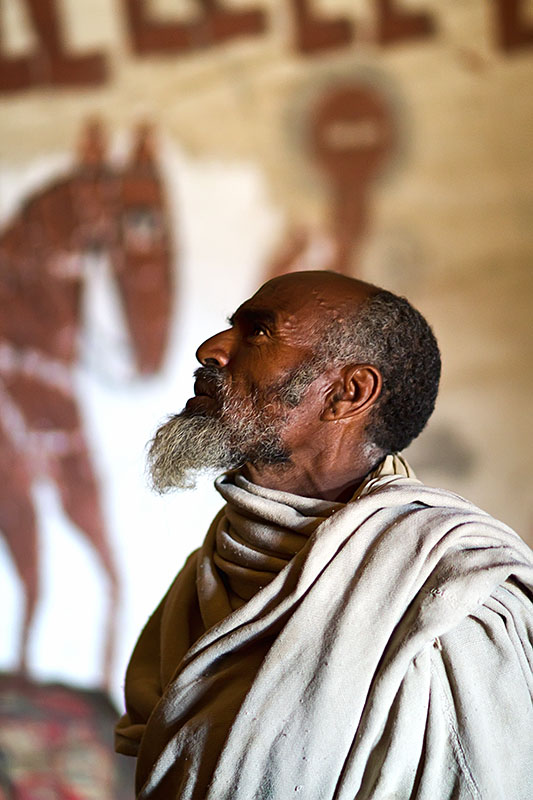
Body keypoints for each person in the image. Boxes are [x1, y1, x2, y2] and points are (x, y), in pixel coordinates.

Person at [115, 271, 533, 800]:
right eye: (231, 329)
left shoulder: (456, 598)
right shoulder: (217, 564)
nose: (210, 351)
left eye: (259, 332)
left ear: (348, 393)